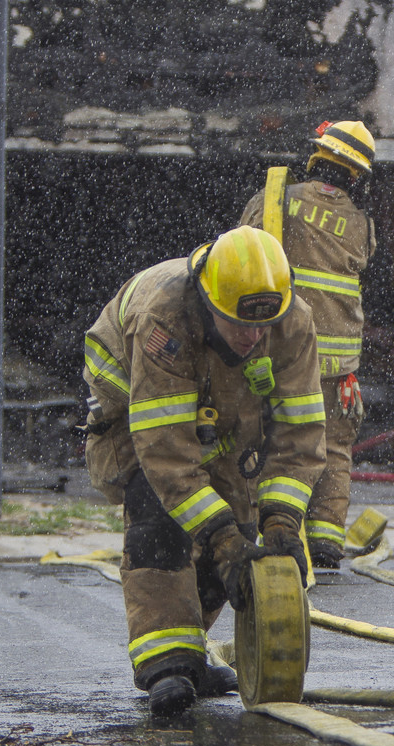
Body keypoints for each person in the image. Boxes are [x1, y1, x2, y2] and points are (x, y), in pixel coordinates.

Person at [82, 226, 326, 719]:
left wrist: (281, 523)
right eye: (240, 325)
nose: (254, 337)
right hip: (135, 409)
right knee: (161, 519)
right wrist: (219, 536)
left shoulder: (291, 321)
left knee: (240, 533)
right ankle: (166, 666)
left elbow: (300, 438)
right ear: (210, 302)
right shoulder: (166, 321)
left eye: (265, 324)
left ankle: (192, 652)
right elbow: (167, 453)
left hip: (218, 411)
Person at [239, 120, 378, 569]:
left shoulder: (276, 202)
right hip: (340, 366)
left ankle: (269, 530)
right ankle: (326, 542)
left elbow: (241, 249)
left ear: (316, 156)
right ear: (355, 175)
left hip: (280, 352)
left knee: (272, 440)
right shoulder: (361, 224)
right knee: (333, 449)